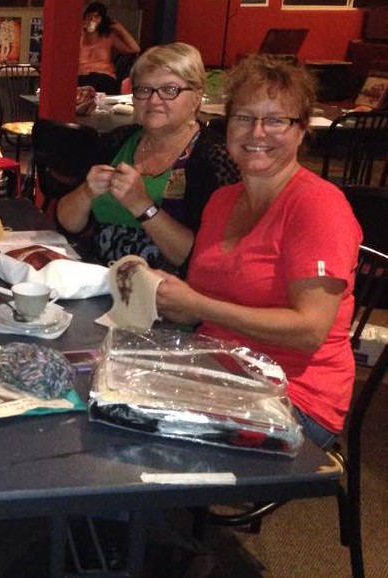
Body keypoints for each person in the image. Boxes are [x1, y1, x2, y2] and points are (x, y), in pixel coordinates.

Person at [155, 55, 362, 449]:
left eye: (276, 120)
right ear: (227, 125)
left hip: (292, 397)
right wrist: (166, 299)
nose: (257, 132)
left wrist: (198, 304)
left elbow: (309, 331)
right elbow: (203, 304)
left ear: (301, 131)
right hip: (218, 371)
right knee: (108, 394)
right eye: (245, 118)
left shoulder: (318, 206)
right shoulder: (222, 201)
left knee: (145, 439)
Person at [57, 42, 241, 273]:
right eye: (144, 90)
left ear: (196, 97)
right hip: (96, 279)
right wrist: (86, 192)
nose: (153, 101)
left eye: (170, 90)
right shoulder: (118, 141)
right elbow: (66, 222)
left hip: (165, 294)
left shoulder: (215, 157)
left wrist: (142, 205)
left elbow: (200, 259)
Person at [78, 2, 140, 95]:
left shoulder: (108, 37)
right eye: (89, 16)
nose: (92, 20)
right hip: (83, 77)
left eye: (96, 17)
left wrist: (121, 29)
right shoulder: (78, 35)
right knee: (86, 83)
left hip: (105, 77)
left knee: (97, 81)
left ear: (102, 19)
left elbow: (135, 49)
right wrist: (81, 33)